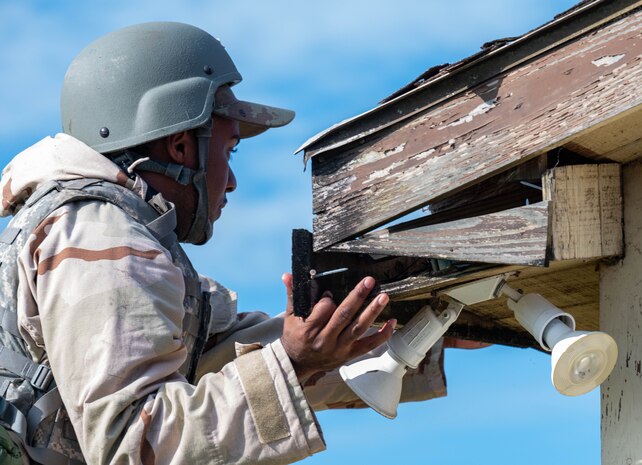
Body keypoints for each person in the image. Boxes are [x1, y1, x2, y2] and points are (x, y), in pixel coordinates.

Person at [0, 22, 454, 465]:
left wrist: (436, 327)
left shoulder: (99, 227)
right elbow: (132, 445)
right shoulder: (102, 235)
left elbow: (226, 354)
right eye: (229, 150)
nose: (232, 181)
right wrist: (293, 362)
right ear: (180, 147)